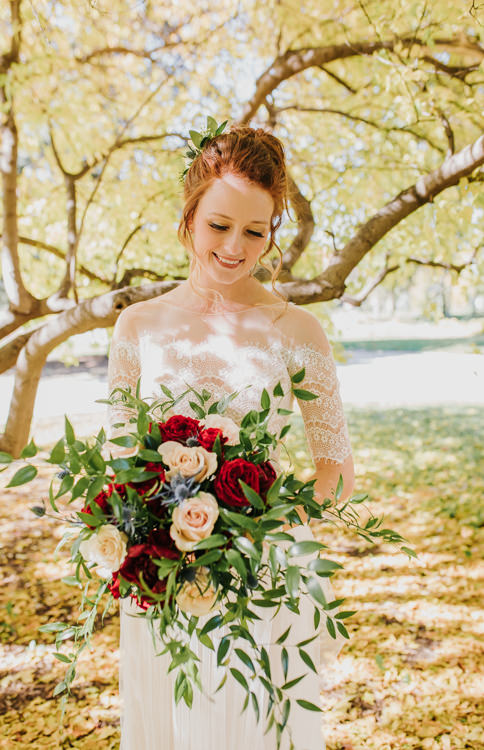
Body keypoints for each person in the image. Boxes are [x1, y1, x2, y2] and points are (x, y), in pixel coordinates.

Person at [107, 123, 355, 749]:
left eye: (255, 230)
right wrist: (147, 531)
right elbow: (118, 460)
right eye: (219, 225)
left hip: (264, 578)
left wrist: (255, 526)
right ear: (189, 218)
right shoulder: (136, 326)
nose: (234, 247)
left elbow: (336, 471)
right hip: (160, 574)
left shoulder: (298, 330)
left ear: (274, 231)